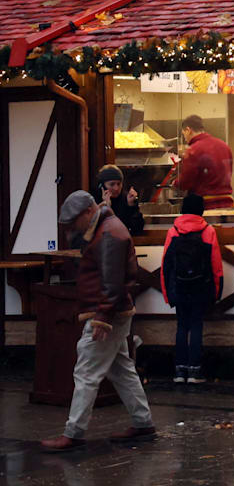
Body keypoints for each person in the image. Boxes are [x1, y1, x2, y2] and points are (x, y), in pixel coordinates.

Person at [40, 191, 157, 453]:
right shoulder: (109, 228)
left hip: (106, 313)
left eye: (73, 222)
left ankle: (74, 432)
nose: (72, 228)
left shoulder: (107, 234)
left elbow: (111, 282)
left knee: (86, 372)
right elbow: (114, 280)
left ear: (87, 213)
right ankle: (142, 422)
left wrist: (102, 317)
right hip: (115, 311)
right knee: (121, 369)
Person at [161, 194, 223, 384]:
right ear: (201, 210)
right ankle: (195, 371)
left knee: (182, 326)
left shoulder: (173, 232)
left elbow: (166, 266)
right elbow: (216, 265)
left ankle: (179, 371)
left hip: (179, 288)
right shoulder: (208, 231)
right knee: (196, 326)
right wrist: (217, 291)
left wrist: (167, 293)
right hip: (200, 288)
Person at [175, 115, 234, 209]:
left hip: (206, 206)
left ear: (188, 130)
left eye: (183, 134)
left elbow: (186, 182)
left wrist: (175, 183)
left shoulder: (193, 150)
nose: (185, 138)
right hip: (228, 204)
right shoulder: (224, 146)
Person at [96, 164, 144, 235]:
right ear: (102, 186)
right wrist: (106, 207)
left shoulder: (126, 199)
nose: (116, 188)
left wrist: (131, 206)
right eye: (112, 184)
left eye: (119, 184)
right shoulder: (96, 201)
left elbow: (137, 229)